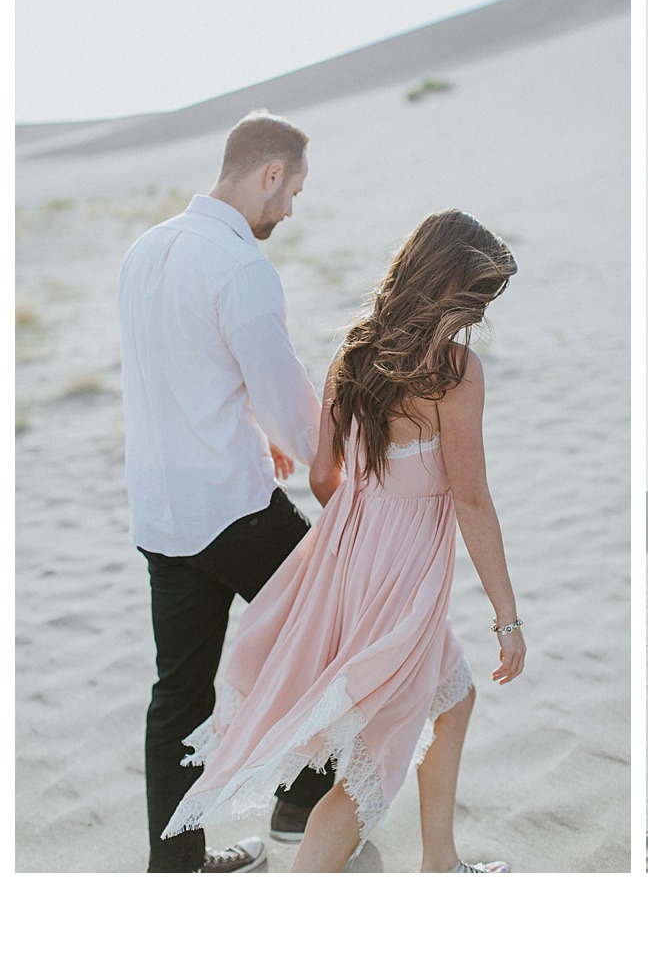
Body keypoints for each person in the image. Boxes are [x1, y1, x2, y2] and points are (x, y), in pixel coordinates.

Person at [159, 209, 528, 873]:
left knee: (455, 691)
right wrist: (508, 616)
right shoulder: (453, 371)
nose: (479, 313)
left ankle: (440, 861)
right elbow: (472, 499)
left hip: (345, 564)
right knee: (373, 766)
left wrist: (370, 515)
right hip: (401, 585)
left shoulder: (355, 350)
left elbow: (325, 475)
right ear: (450, 286)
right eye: (478, 296)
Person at [120, 111, 333, 873]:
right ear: (269, 173)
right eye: (293, 191)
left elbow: (184, 370)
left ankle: (174, 872)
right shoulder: (240, 266)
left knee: (177, 697)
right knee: (335, 626)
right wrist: (331, 469)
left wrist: (253, 422)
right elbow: (285, 394)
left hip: (160, 512)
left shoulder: (144, 251)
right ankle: (303, 804)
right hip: (233, 508)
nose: (289, 210)